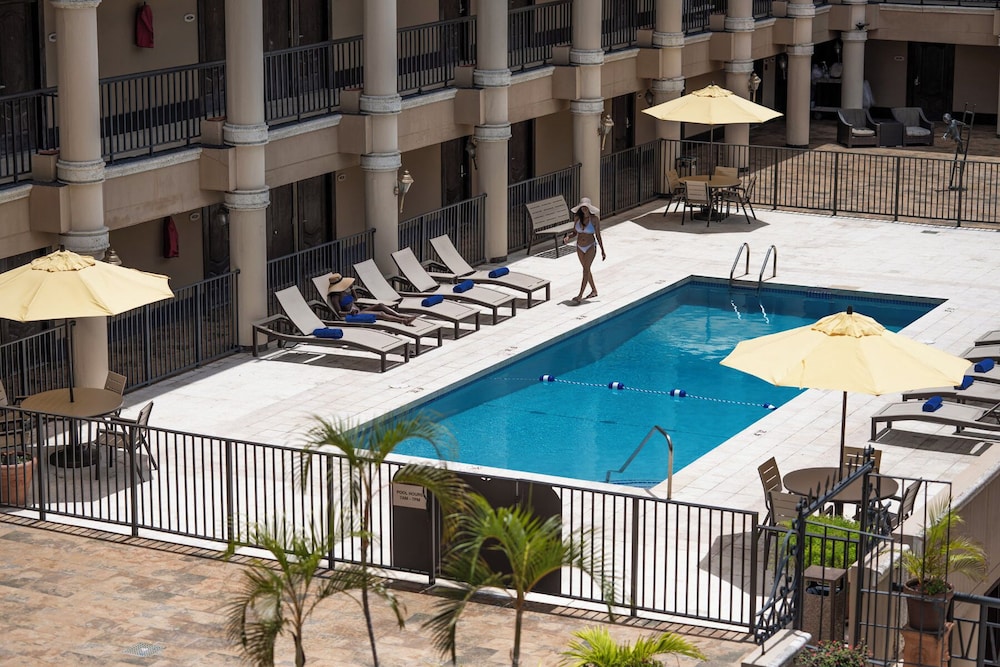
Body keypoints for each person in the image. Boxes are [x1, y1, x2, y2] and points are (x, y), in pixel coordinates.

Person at [326, 273, 419, 326]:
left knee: (380, 305)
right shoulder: (335, 297)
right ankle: (403, 321)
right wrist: (350, 313)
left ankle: (401, 316)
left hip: (359, 311)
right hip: (353, 315)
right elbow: (339, 313)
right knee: (381, 314)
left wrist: (352, 288)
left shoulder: (343, 292)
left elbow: (355, 299)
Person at [563, 197, 606, 304]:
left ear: (589, 208)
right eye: (582, 207)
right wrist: (568, 237)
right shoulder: (577, 218)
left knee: (585, 270)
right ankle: (594, 290)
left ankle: (580, 295)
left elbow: (598, 235)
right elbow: (575, 232)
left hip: (590, 246)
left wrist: (602, 250)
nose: (584, 209)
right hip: (579, 247)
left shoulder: (594, 219)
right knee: (586, 269)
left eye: (585, 207)